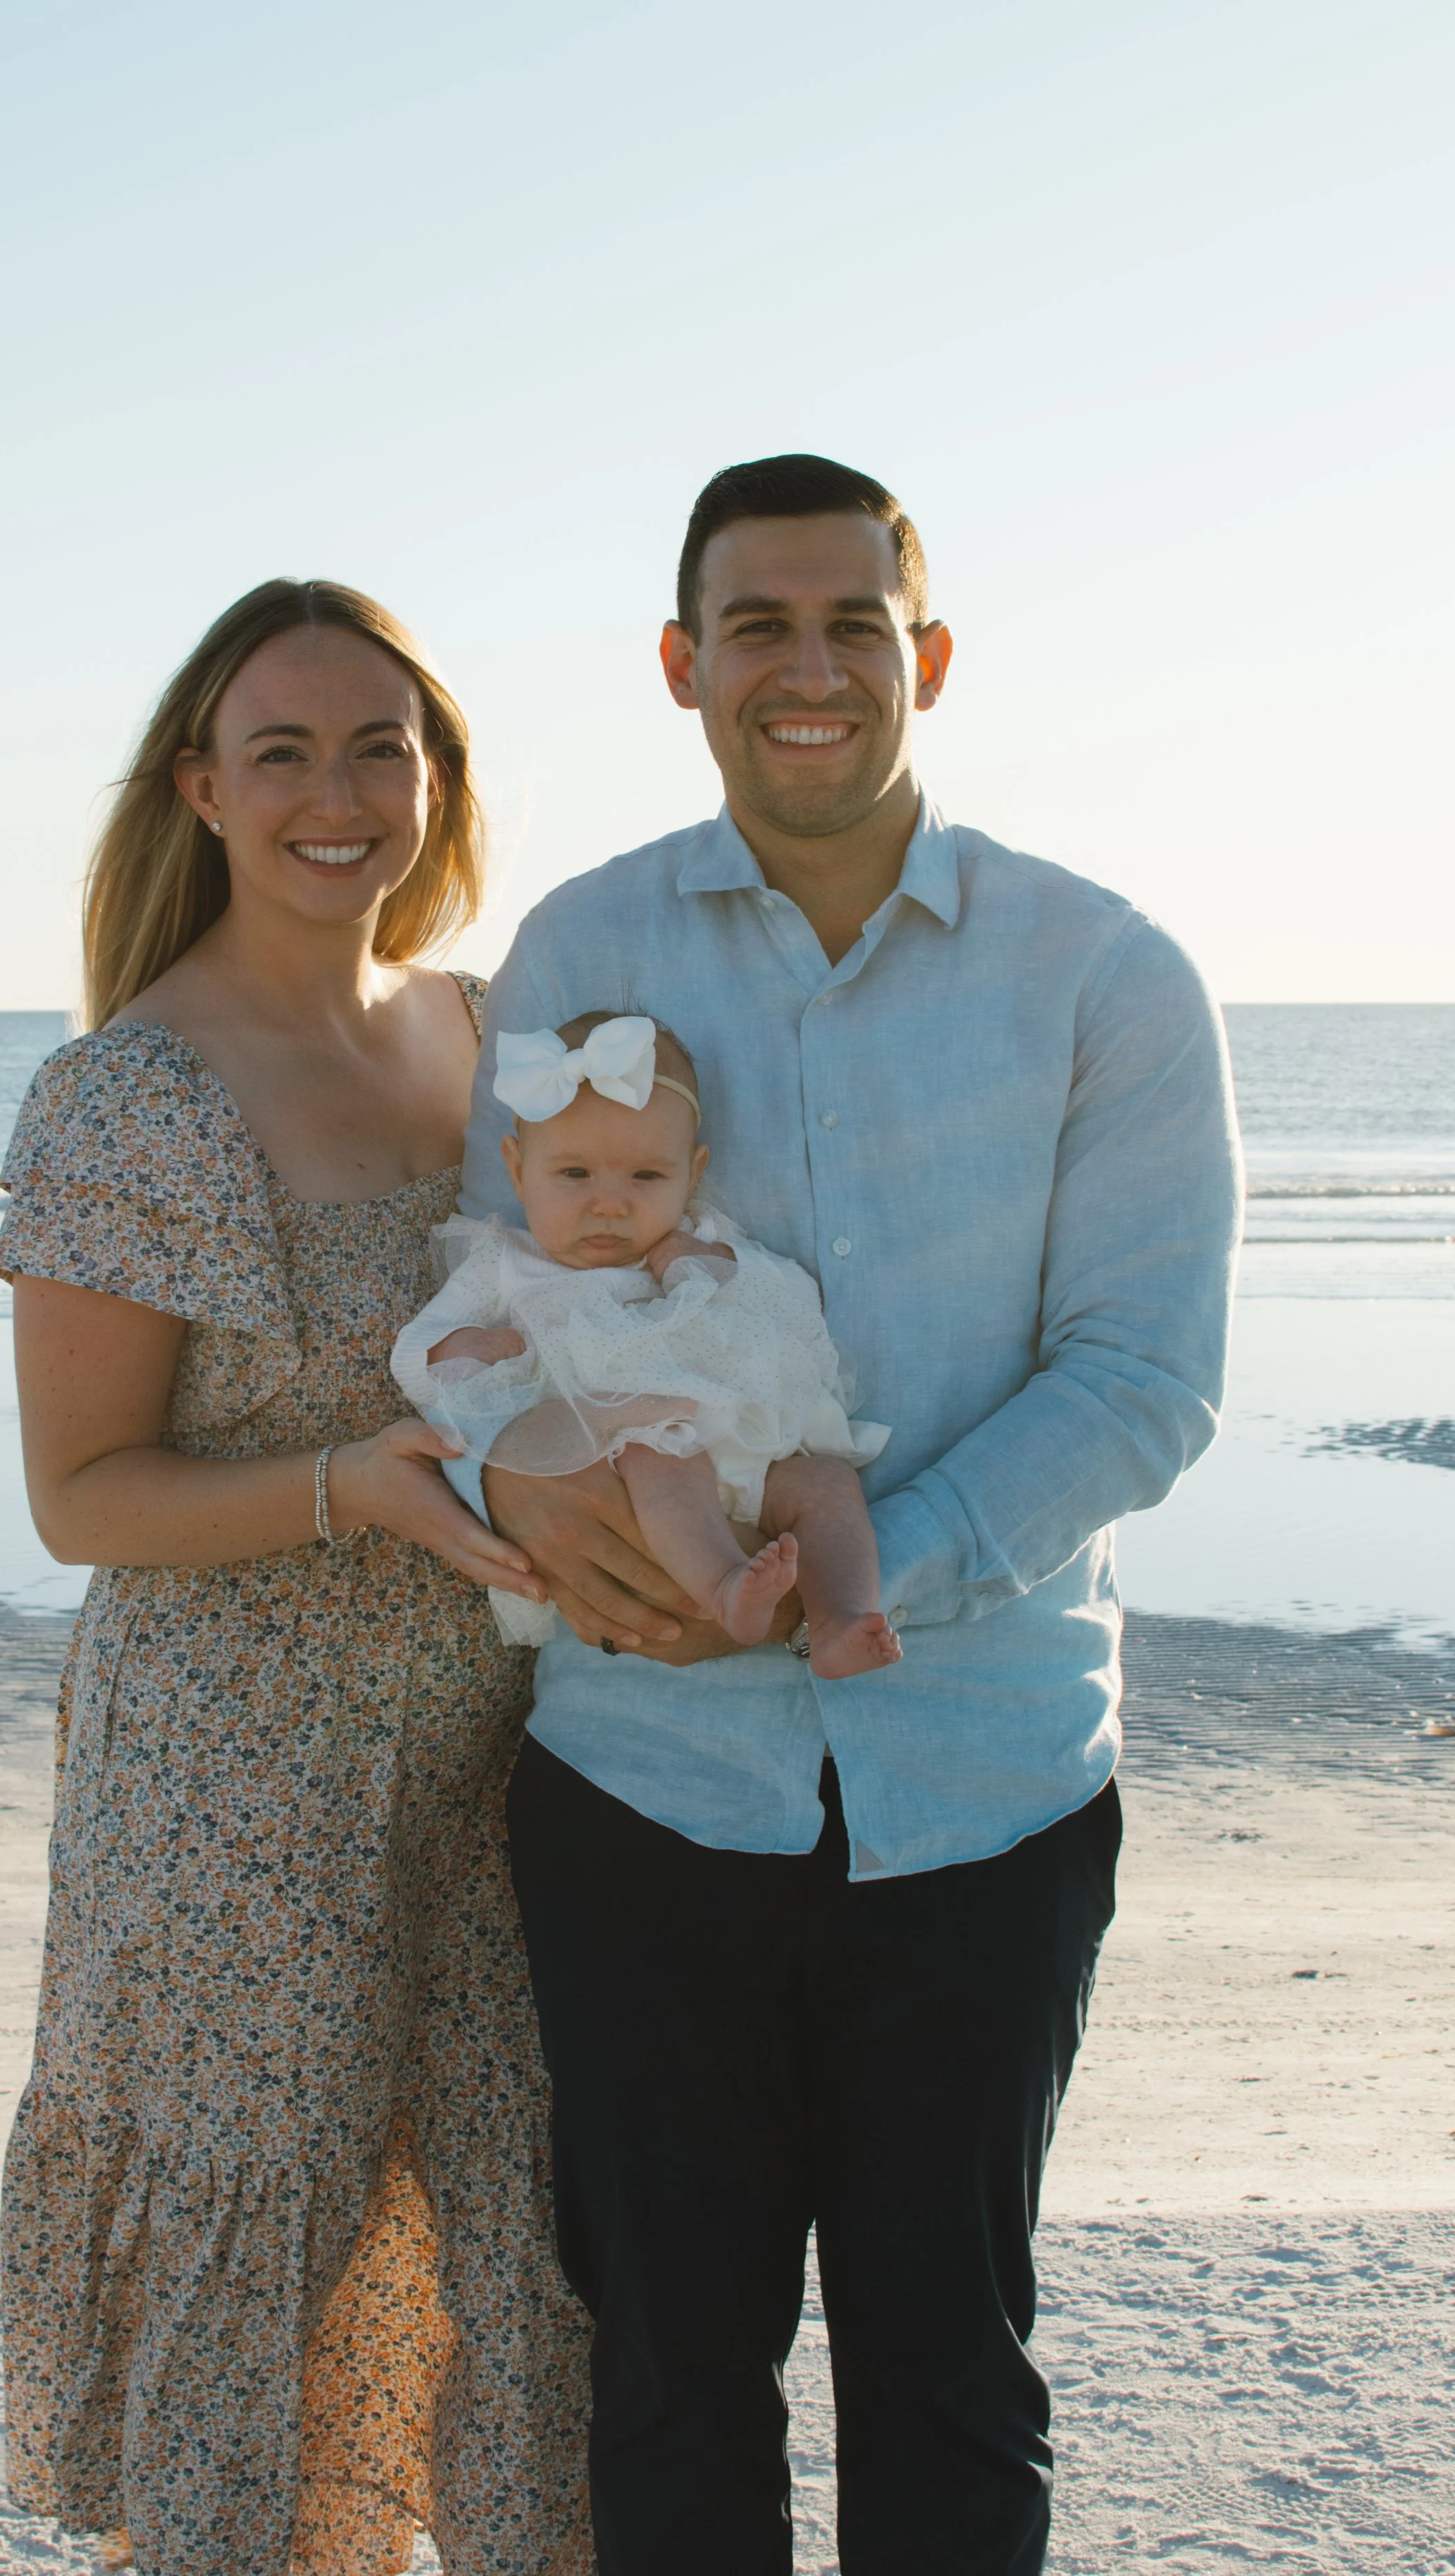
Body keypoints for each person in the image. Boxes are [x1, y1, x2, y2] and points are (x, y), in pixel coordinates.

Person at [457, 456, 1243, 2573]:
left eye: (849, 624)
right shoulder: (576, 941)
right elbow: (489, 1297)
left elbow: (1138, 1375)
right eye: (755, 625)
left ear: (927, 655)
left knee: (946, 2368)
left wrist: (859, 1575)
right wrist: (547, 1501)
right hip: (639, 1788)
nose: (803, 667)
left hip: (980, 1788)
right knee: (663, 2368)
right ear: (679, 663)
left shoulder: (1104, 971)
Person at [0, 578, 591, 2576]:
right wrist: (349, 1485)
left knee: (520, 2266)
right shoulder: (130, 1092)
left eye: (378, 746)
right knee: (254, 2291)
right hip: (230, 1803)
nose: (338, 794)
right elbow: (80, 1494)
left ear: (437, 774)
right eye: (283, 750)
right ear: (202, 787)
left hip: (495, 1775)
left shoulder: (490, 1033)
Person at [390, 1010, 897, 1675]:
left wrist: (711, 1262)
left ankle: (841, 1619)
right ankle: (723, 1586)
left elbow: (795, 1302)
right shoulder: (503, 1265)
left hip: (746, 1453)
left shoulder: (698, 1236)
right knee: (660, 1451)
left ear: (692, 1171)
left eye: (647, 1178)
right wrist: (463, 1350)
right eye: (574, 1175)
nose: (610, 1204)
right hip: (632, 1461)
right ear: (518, 1170)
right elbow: (413, 1356)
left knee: (827, 1484)